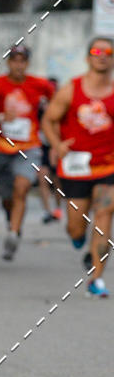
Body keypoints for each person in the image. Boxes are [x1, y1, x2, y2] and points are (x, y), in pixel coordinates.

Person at [42, 36, 114, 297]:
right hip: (75, 168)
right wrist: (57, 144)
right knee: (76, 226)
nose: (103, 55)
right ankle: (78, 238)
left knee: (104, 217)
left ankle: (96, 280)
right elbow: (49, 121)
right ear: (88, 57)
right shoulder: (71, 90)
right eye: (97, 51)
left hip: (108, 168)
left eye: (108, 51)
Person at [0, 45, 55, 260]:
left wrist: (51, 117)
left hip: (28, 146)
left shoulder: (39, 85)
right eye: (14, 60)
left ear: (27, 63)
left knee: (21, 188)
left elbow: (57, 101)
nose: (18, 65)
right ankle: (11, 219)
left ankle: (13, 234)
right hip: (0, 147)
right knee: (7, 197)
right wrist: (1, 118)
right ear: (8, 63)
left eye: (22, 60)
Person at [38, 76, 63, 224]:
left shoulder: (61, 105)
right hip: (42, 146)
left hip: (56, 145)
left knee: (57, 180)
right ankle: (47, 211)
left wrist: (57, 146)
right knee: (43, 177)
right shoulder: (40, 105)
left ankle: (58, 209)